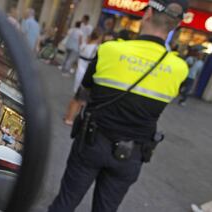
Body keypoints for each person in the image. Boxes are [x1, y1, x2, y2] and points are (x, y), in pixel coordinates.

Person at [49, 0, 189, 211]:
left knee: (65, 202)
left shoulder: (109, 50)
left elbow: (85, 90)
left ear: (148, 13)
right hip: (131, 154)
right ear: (176, 26)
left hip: (92, 141)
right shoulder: (179, 68)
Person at [63, 31, 100, 125]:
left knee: (76, 97)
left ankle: (68, 116)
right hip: (85, 74)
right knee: (80, 99)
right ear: (98, 37)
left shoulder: (85, 45)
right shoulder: (96, 48)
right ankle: (70, 118)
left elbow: (81, 47)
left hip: (79, 70)